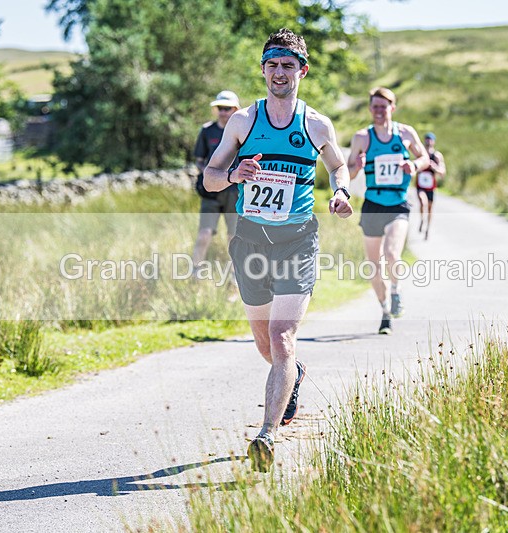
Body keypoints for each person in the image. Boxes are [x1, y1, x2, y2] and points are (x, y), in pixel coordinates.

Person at [204, 28, 353, 472]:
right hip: (250, 241)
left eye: (288, 65)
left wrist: (341, 192)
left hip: (297, 241)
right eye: (272, 65)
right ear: (264, 70)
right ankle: (294, 375)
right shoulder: (243, 122)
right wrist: (233, 174)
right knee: (265, 345)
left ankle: (267, 434)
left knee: (282, 338)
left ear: (302, 71)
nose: (279, 73)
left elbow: (338, 164)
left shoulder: (316, 123)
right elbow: (209, 178)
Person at [348, 87, 429, 335]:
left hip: (398, 204)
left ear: (392, 108)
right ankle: (385, 311)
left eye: (384, 106)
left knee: (392, 253)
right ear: (370, 108)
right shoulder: (362, 137)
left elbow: (425, 157)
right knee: (374, 266)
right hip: (372, 204)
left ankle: (396, 291)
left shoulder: (405, 133)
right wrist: (357, 166)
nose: (379, 111)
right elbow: (348, 174)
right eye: (375, 106)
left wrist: (413, 165)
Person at [191, 90, 241, 276]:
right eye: (220, 108)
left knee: (233, 236)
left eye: (227, 108)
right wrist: (210, 175)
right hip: (211, 192)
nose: (223, 112)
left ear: (235, 109)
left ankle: (236, 278)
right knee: (204, 234)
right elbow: (199, 159)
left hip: (235, 191)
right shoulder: (207, 131)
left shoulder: (243, 131)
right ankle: (195, 273)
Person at [415, 132, 446, 239]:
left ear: (433, 141)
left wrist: (434, 167)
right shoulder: (421, 154)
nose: (428, 141)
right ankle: (422, 219)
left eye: (430, 139)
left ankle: (427, 228)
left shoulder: (436, 156)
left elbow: (442, 172)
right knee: (422, 202)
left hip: (430, 186)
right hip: (420, 185)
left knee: (430, 208)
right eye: (426, 139)